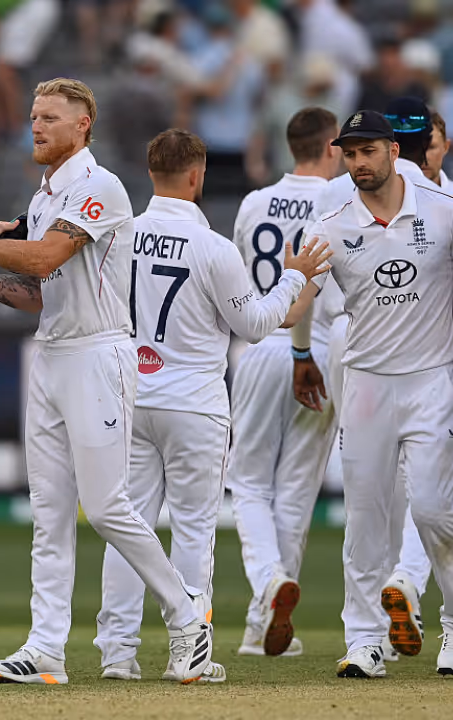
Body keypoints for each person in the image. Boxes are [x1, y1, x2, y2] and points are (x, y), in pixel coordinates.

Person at [0, 78, 214, 685]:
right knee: (49, 512)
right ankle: (46, 648)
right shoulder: (42, 197)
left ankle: (189, 620)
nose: (36, 126)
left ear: (84, 125)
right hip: (53, 354)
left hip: (99, 355)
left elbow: (45, 258)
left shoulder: (99, 187)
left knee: (108, 506)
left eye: (51, 117)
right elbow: (36, 295)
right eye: (33, 116)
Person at [94, 129, 330, 682]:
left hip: (132, 394)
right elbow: (254, 325)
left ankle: (117, 653)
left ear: (152, 172)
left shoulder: (120, 234)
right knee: (194, 529)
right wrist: (295, 276)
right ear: (197, 176)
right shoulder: (213, 247)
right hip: (194, 402)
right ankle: (188, 651)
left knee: (130, 525)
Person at [293, 109, 453, 678]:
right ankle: (364, 641)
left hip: (433, 381)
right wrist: (278, 315)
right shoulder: (331, 224)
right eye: (349, 153)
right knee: (364, 515)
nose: (358, 163)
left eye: (368, 151)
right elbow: (296, 299)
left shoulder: (441, 210)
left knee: (435, 511)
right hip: (365, 386)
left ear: (391, 149)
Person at [225, 107, 342, 657]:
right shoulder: (340, 198)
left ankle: (267, 588)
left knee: (249, 484)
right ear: (333, 146)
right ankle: (260, 619)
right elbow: (319, 281)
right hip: (317, 350)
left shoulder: (253, 202)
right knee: (295, 492)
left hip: (263, 342)